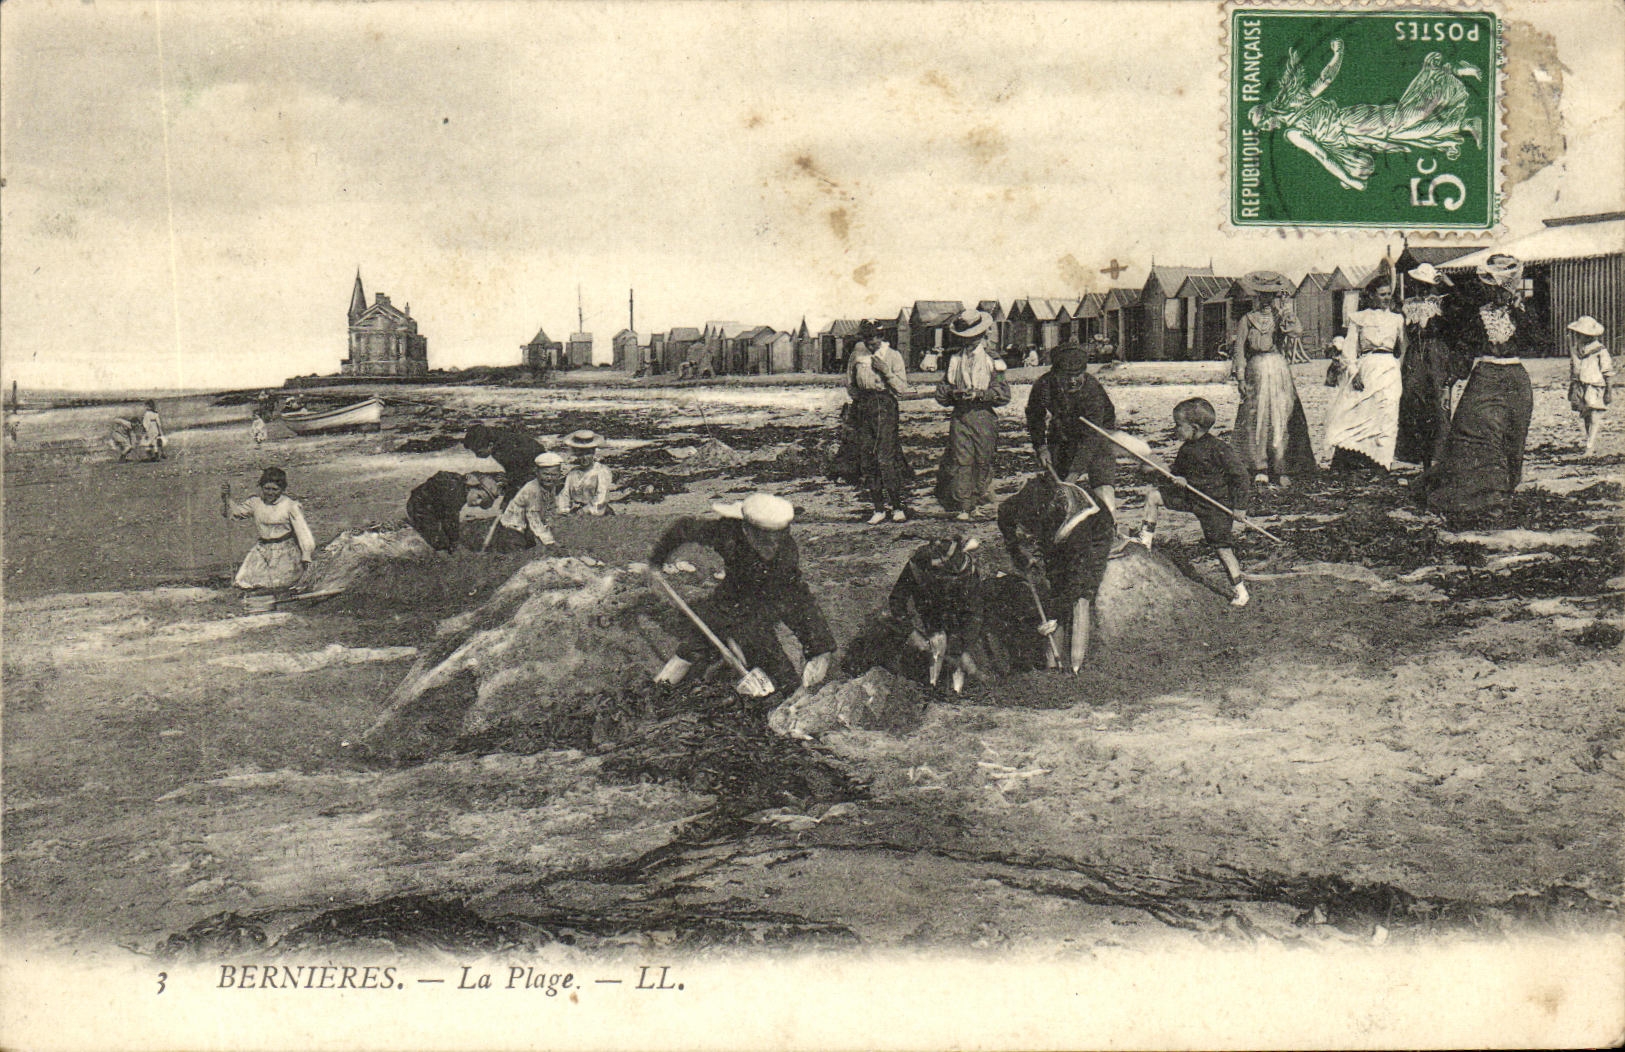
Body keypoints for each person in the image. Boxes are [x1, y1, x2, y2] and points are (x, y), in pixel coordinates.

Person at [647, 492, 835, 698]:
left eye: (778, 537)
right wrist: (657, 562)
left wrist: (818, 646)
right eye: (765, 539)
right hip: (730, 598)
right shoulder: (727, 533)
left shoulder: (785, 553)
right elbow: (683, 528)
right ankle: (656, 693)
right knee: (694, 647)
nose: (773, 545)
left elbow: (796, 598)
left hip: (765, 603)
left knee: (777, 665)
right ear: (748, 530)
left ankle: (793, 699)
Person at [1248, 40, 1483, 192]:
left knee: (1407, 119)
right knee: (1407, 134)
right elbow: (1325, 154)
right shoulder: (1291, 129)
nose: (1268, 128)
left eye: (1264, 122)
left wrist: (1338, 53)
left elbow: (1325, 81)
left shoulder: (1294, 123)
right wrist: (1350, 177)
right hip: (1356, 138)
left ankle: (1447, 74)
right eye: (1264, 128)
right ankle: (1463, 122)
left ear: (1268, 112)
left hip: (1353, 122)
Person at [1420, 254, 1543, 524]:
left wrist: (1521, 311)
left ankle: (1502, 494)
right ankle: (1479, 497)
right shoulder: (1478, 313)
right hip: (1485, 376)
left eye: (1498, 287)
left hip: (1514, 379)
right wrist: (1449, 382)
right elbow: (1464, 347)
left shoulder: (1521, 311)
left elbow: (1538, 341)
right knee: (1472, 431)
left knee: (1511, 438)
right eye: (1491, 287)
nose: (1493, 291)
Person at [998, 470, 1116, 674]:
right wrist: (1016, 552)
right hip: (1058, 533)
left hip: (1096, 534)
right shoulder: (1026, 502)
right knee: (1055, 584)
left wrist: (1054, 614)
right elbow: (1004, 515)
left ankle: (1076, 667)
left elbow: (1078, 578)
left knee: (1080, 597)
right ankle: (1052, 666)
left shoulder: (1078, 526)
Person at [1138, 398, 1253, 607]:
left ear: (1194, 428)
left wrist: (1240, 508)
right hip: (1191, 498)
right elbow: (1176, 476)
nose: (1175, 430)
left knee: (1222, 548)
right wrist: (1169, 476)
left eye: (1178, 425)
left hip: (1215, 505)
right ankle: (1145, 541)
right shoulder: (1186, 450)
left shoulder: (1219, 449)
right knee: (1153, 496)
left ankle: (1240, 590)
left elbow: (1241, 477)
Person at [1232, 271, 1318, 487]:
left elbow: (1297, 332)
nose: (1266, 300)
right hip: (1256, 371)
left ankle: (1281, 466)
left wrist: (1288, 315)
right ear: (1256, 296)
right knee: (1257, 417)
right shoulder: (1247, 320)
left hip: (1278, 370)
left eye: (1271, 296)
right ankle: (1259, 465)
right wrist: (1240, 377)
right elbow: (1239, 351)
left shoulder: (1280, 317)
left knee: (1281, 415)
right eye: (1262, 295)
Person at [832, 325, 915, 525]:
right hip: (864, 407)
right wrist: (859, 400)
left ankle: (897, 507)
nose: (871, 343)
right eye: (868, 339)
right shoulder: (857, 356)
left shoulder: (893, 356)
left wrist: (885, 372)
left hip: (885, 406)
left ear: (882, 337)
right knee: (867, 457)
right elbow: (850, 383)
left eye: (875, 338)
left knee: (885, 457)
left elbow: (903, 388)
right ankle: (878, 508)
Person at [882, 536, 987, 694]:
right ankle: (932, 681)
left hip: (956, 610)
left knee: (957, 653)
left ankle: (958, 680)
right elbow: (897, 600)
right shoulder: (917, 567)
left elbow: (974, 613)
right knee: (937, 642)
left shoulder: (968, 573)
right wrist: (910, 632)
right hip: (929, 607)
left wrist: (962, 647)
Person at [934, 309, 1011, 521]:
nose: (969, 341)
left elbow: (1003, 395)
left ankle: (977, 502)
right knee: (962, 461)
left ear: (982, 334)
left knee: (983, 460)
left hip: (983, 415)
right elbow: (941, 394)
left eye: (973, 336)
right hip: (961, 415)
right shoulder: (955, 360)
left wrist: (981, 394)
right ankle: (964, 506)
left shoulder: (992, 359)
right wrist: (953, 393)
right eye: (965, 337)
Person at [1024, 341, 1118, 512]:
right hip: (1063, 431)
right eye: (1067, 376)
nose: (1073, 381)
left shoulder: (1092, 390)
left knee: (1102, 481)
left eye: (1078, 375)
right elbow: (1034, 417)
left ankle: (1110, 521)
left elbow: (1091, 438)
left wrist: (1074, 475)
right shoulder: (1044, 385)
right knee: (1056, 487)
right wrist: (1041, 446)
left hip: (1099, 434)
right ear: (1056, 374)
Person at [1324, 284, 1405, 473]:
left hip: (1389, 370)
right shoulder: (1359, 318)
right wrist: (1354, 372)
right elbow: (1349, 350)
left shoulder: (1396, 319)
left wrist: (1398, 368)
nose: (1386, 298)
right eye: (1381, 294)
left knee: (1387, 413)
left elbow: (1401, 349)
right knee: (1356, 412)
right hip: (1366, 367)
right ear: (1371, 296)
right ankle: (1350, 459)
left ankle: (1382, 462)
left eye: (1388, 295)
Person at [1395, 264, 1458, 470]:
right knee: (1413, 400)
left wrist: (1451, 285)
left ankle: (1439, 457)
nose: (1420, 288)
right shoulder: (1407, 304)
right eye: (1418, 283)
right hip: (1415, 355)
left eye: (1425, 284)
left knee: (1439, 402)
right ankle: (1420, 458)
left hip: (1437, 354)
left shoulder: (1442, 303)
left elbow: (1461, 313)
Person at [221, 467, 316, 592]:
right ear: (261, 487)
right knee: (246, 582)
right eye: (267, 488)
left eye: (275, 489)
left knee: (281, 585)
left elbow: (303, 532)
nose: (270, 493)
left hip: (285, 552)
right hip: (262, 550)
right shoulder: (255, 503)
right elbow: (235, 513)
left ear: (282, 489)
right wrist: (226, 498)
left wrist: (306, 554)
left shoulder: (290, 506)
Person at [487, 451, 564, 552]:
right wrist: (549, 541)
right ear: (537, 472)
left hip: (526, 527)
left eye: (554, 475)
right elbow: (534, 517)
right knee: (516, 554)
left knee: (533, 549)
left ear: (559, 474)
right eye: (545, 474)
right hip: (513, 527)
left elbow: (551, 507)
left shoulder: (551, 486)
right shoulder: (532, 489)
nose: (549, 478)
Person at [1566, 316, 1612, 455]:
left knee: (1594, 416)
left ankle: (1590, 447)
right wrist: (1572, 386)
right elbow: (1574, 368)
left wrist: (1608, 391)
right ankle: (1589, 442)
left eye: (1582, 334)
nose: (1579, 336)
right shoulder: (1577, 348)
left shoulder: (1600, 351)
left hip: (1595, 385)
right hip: (1581, 384)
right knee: (1586, 414)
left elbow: (1607, 371)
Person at [463, 423, 545, 501]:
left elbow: (515, 477)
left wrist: (506, 501)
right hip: (531, 461)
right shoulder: (497, 441)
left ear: (490, 445)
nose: (477, 456)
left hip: (538, 467)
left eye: (479, 452)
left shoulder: (503, 451)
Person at [407, 471, 475, 552]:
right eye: (478, 496)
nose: (477, 502)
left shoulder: (462, 487)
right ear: (471, 487)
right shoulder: (456, 491)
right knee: (438, 544)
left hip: (431, 506)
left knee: (444, 538)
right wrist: (454, 541)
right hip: (420, 507)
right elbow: (450, 518)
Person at [556, 430, 616, 516]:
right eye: (580, 454)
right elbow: (564, 495)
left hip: (598, 513)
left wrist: (584, 511)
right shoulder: (573, 473)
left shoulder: (601, 471)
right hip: (576, 512)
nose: (584, 458)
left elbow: (601, 498)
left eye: (587, 454)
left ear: (593, 453)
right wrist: (564, 510)